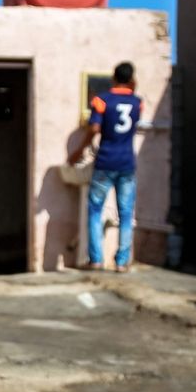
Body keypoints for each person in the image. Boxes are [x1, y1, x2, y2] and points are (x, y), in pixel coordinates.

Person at [68, 61, 143, 272]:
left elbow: (94, 128)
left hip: (105, 162)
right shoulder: (138, 103)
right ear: (131, 80)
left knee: (94, 210)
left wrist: (79, 150)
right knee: (126, 213)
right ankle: (121, 262)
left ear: (113, 78)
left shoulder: (101, 100)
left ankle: (97, 259)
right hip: (127, 163)